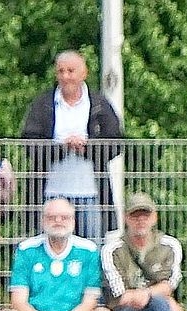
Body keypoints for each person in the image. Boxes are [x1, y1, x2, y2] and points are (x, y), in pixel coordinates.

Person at [20, 50, 124, 243]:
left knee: (92, 248)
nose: (65, 76)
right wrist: (62, 147)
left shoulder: (100, 104)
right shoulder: (43, 104)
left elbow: (116, 142)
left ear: (84, 73)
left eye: (70, 71)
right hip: (51, 193)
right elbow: (29, 141)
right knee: (48, 247)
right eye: (61, 71)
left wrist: (87, 148)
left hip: (91, 193)